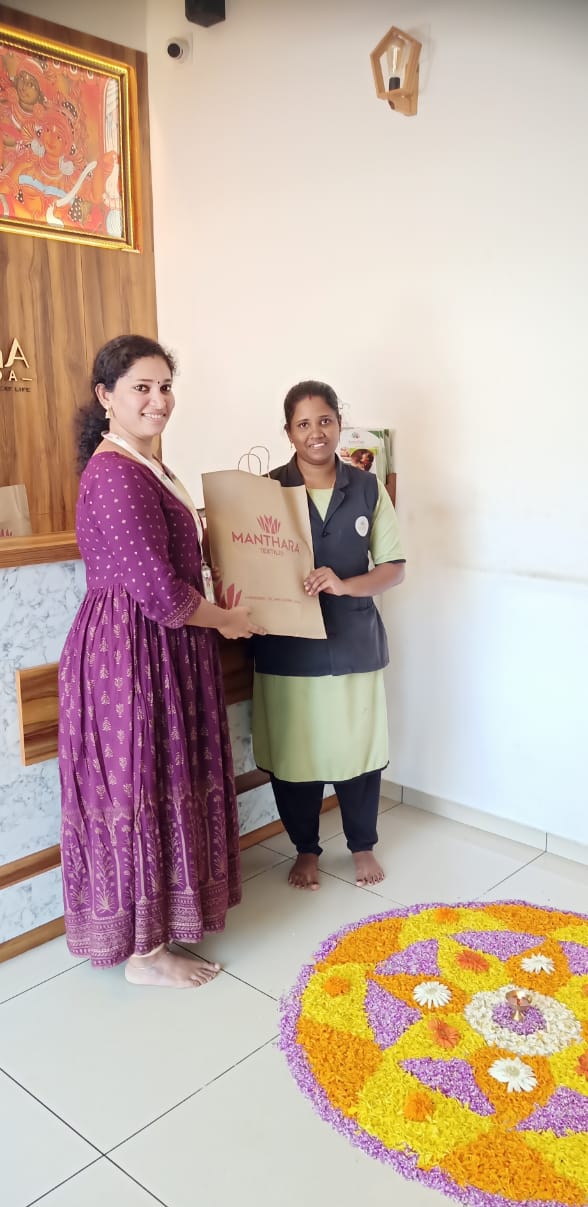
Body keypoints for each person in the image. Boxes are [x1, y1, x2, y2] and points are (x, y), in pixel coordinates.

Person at [58, 334, 264, 988]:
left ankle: (163, 930)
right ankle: (144, 957)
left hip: (158, 644)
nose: (158, 400)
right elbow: (157, 590)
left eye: (165, 387)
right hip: (129, 652)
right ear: (106, 396)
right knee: (140, 784)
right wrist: (227, 620)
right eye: (141, 388)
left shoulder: (145, 463)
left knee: (164, 780)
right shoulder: (115, 472)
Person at [251, 380, 405, 890]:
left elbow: (393, 567)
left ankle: (362, 845)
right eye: (303, 424)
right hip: (287, 645)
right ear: (288, 432)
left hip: (352, 641)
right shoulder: (265, 491)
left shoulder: (366, 487)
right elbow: (243, 561)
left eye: (324, 421)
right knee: (295, 755)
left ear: (339, 423)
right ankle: (305, 849)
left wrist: (344, 585)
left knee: (357, 749)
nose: (315, 432)